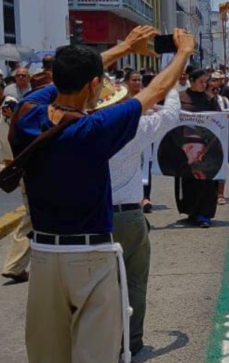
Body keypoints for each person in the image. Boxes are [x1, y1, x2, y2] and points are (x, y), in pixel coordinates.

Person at [10, 25, 190, 363]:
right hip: (91, 254)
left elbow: (61, 83)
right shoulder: (95, 128)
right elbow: (157, 91)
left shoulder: (27, 116)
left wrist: (122, 48)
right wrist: (182, 52)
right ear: (94, 84)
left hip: (44, 253)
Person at [109, 82, 180, 354]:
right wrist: (171, 87)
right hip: (126, 214)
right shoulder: (133, 129)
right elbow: (172, 115)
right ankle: (131, 341)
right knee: (134, 281)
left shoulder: (84, 126)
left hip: (90, 216)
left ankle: (101, 341)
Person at [172, 72, 223, 228]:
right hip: (185, 146)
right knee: (188, 178)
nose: (203, 85)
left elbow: (219, 117)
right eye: (200, 81)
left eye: (205, 82)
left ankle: (204, 214)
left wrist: (225, 117)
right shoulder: (179, 97)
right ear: (191, 81)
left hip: (206, 147)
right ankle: (191, 211)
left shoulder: (210, 99)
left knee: (206, 180)